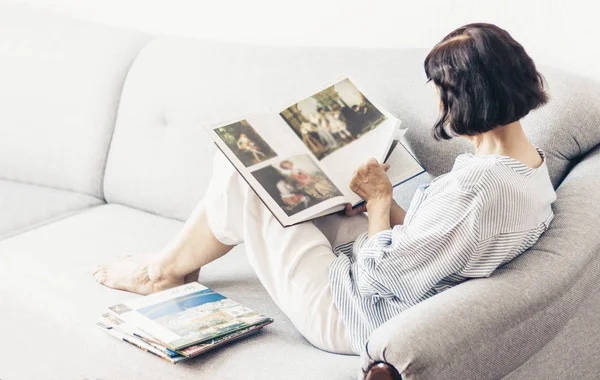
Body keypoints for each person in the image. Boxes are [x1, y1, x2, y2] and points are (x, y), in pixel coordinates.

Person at [93, 23, 556, 355]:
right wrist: (388, 203)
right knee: (272, 176)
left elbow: (384, 276)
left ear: (463, 96)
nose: (434, 99)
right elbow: (439, 242)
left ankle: (160, 272)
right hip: (388, 277)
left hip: (351, 310)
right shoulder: (528, 171)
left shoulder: (479, 189)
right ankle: (170, 265)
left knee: (241, 174)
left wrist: (378, 203)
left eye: (439, 87)